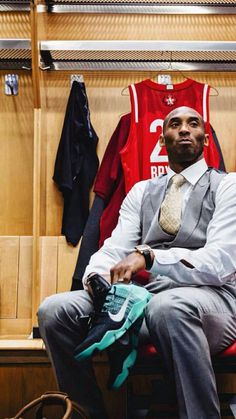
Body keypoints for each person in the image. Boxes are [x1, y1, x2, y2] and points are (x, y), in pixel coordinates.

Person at [38, 106, 236, 419]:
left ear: (206, 139)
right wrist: (96, 278)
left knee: (168, 307)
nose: (184, 129)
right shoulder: (142, 191)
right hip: (145, 300)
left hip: (214, 299)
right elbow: (114, 248)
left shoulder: (229, 187)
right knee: (55, 311)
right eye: (175, 124)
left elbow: (220, 261)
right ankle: (87, 413)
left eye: (193, 123)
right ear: (162, 140)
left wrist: (149, 256)